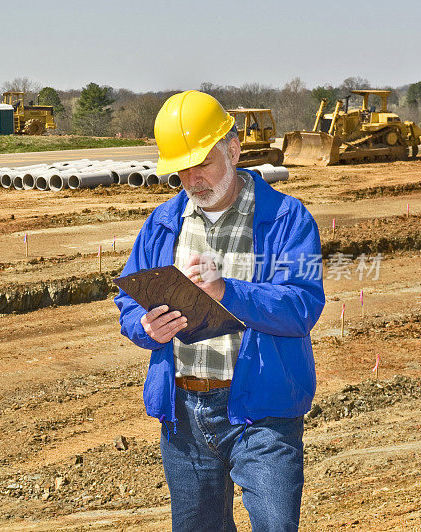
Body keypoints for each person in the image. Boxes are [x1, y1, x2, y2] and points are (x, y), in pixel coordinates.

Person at [114, 90, 325, 531]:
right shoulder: (162, 223)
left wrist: (228, 291)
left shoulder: (287, 219)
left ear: (232, 150)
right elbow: (128, 305)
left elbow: (303, 304)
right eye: (181, 170)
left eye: (203, 163)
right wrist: (145, 327)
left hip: (262, 414)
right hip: (185, 414)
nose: (193, 179)